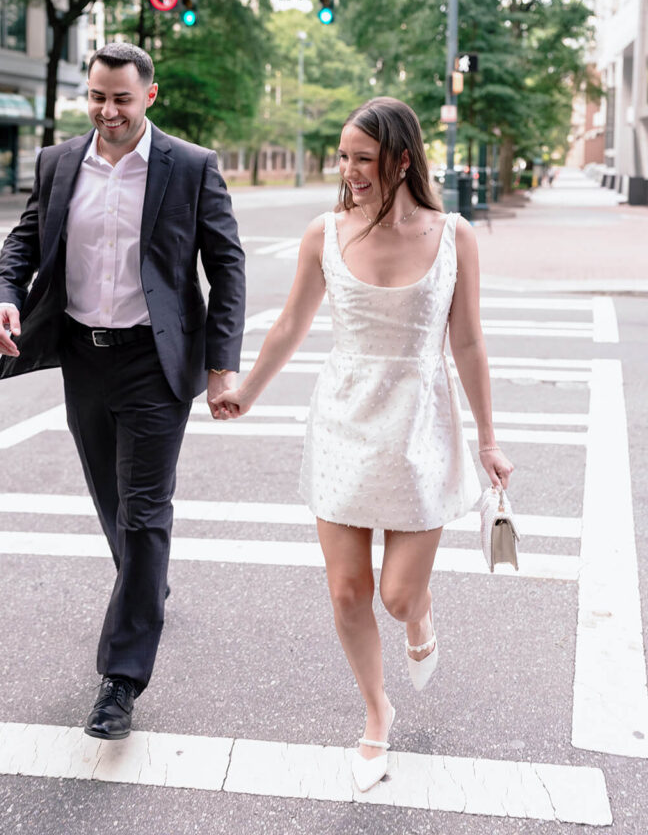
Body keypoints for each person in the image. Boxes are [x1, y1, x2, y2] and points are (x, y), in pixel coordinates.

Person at [212, 96, 513, 792]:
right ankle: (377, 714)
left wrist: (490, 439)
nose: (348, 171)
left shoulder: (454, 235)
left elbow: (466, 341)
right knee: (348, 593)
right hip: (344, 422)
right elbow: (290, 323)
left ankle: (420, 614)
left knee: (399, 595)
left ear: (403, 159)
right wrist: (247, 392)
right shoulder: (325, 232)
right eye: (343, 157)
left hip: (420, 429)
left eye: (364, 159)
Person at [0, 42, 245, 740]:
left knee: (143, 512)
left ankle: (121, 679)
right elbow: (24, 243)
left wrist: (222, 367)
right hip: (83, 357)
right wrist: (2, 299)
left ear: (149, 97)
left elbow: (227, 267)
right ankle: (146, 585)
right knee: (112, 501)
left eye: (122, 99)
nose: (108, 111)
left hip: (154, 364)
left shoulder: (189, 167)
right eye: (97, 97)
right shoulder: (59, 162)